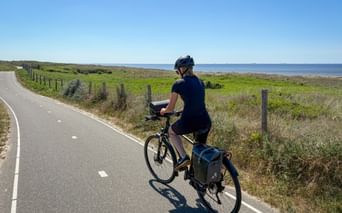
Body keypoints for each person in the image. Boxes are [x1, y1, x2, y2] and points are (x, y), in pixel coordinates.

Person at [160, 55, 212, 171]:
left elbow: (170, 108)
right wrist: (182, 110)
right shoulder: (200, 82)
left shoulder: (178, 83)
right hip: (205, 121)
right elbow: (195, 102)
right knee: (199, 150)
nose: (177, 73)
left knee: (171, 132)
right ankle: (200, 178)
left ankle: (183, 157)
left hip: (190, 122)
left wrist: (164, 110)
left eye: (177, 70)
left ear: (182, 69)